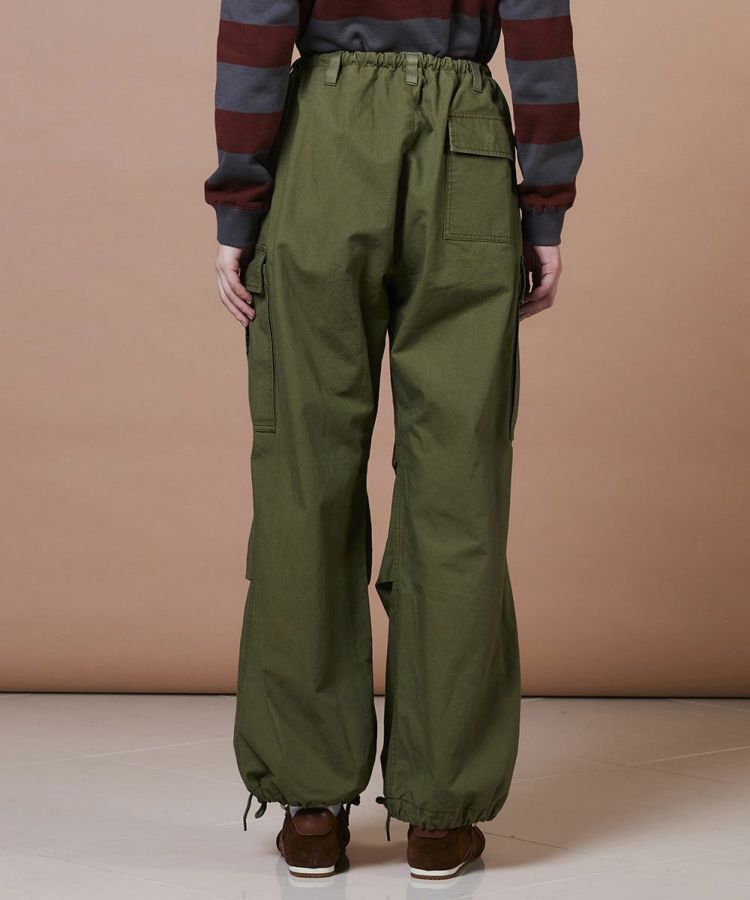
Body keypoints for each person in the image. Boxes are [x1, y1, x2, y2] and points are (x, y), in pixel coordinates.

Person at [205, 0, 581, 881]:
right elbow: (539, 30)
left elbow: (257, 24)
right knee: (459, 485)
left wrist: (237, 209)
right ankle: (440, 815)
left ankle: (309, 809)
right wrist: (544, 211)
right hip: (466, 147)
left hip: (324, 144)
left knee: (305, 476)